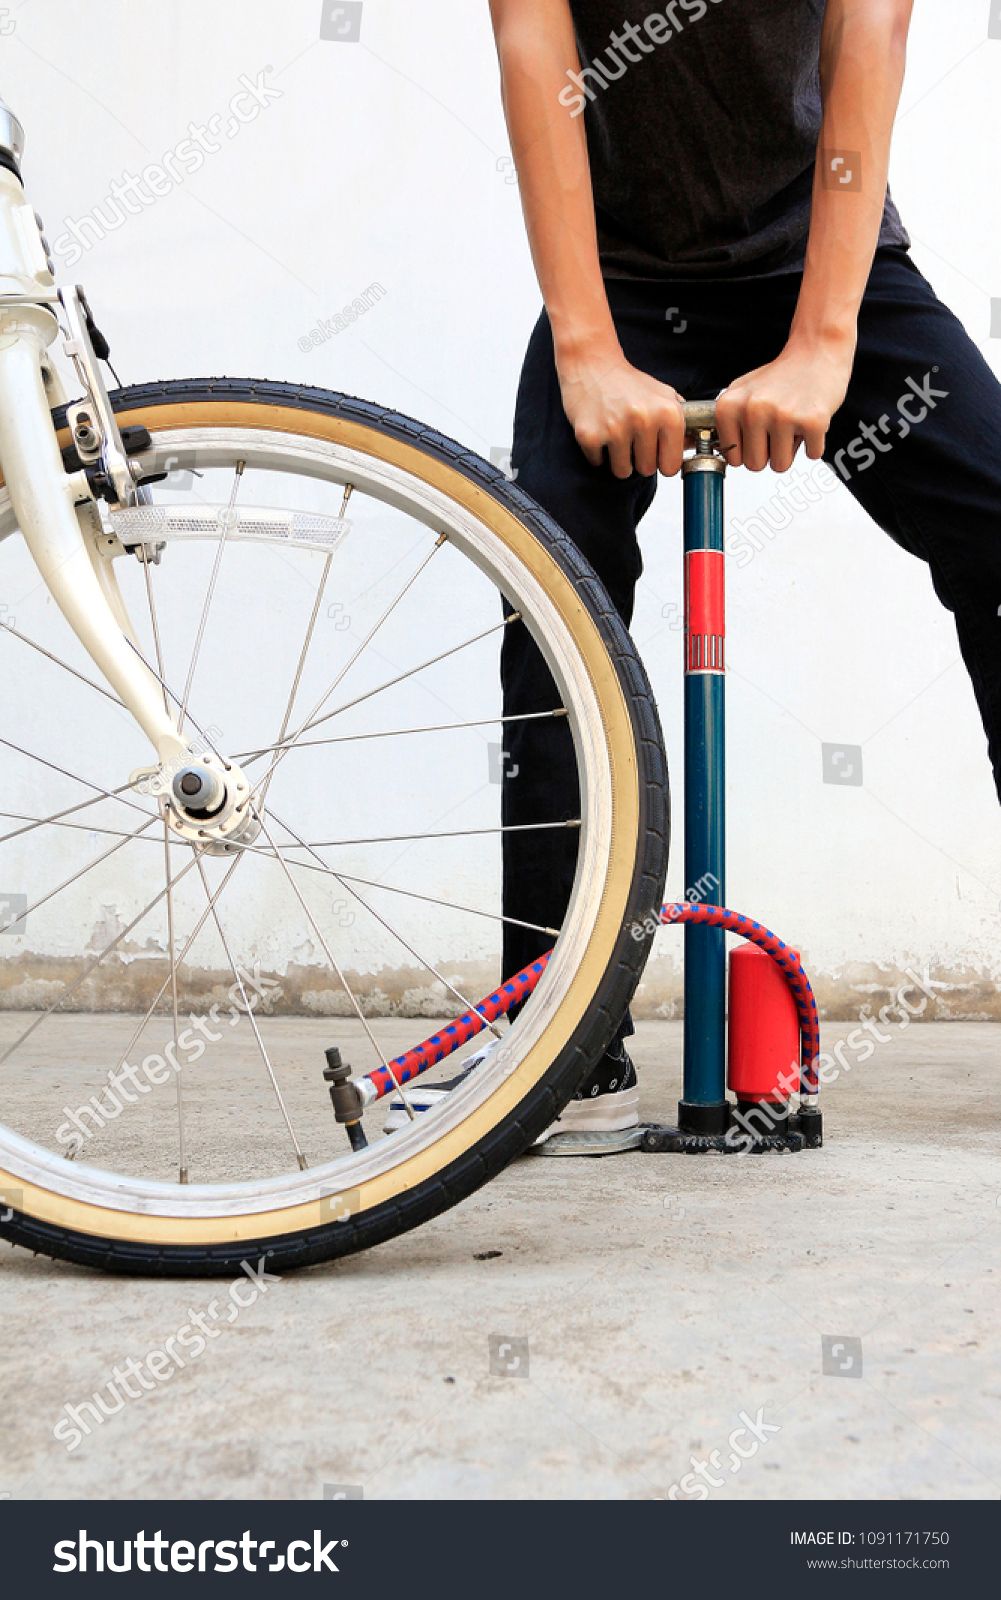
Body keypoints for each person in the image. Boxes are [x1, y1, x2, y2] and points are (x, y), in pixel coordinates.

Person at [388, 1, 1001, 1147]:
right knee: (550, 585)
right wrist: (584, 348)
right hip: (619, 281)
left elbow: (868, 30)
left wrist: (823, 340)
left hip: (825, 253)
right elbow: (534, 48)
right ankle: (559, 1034)